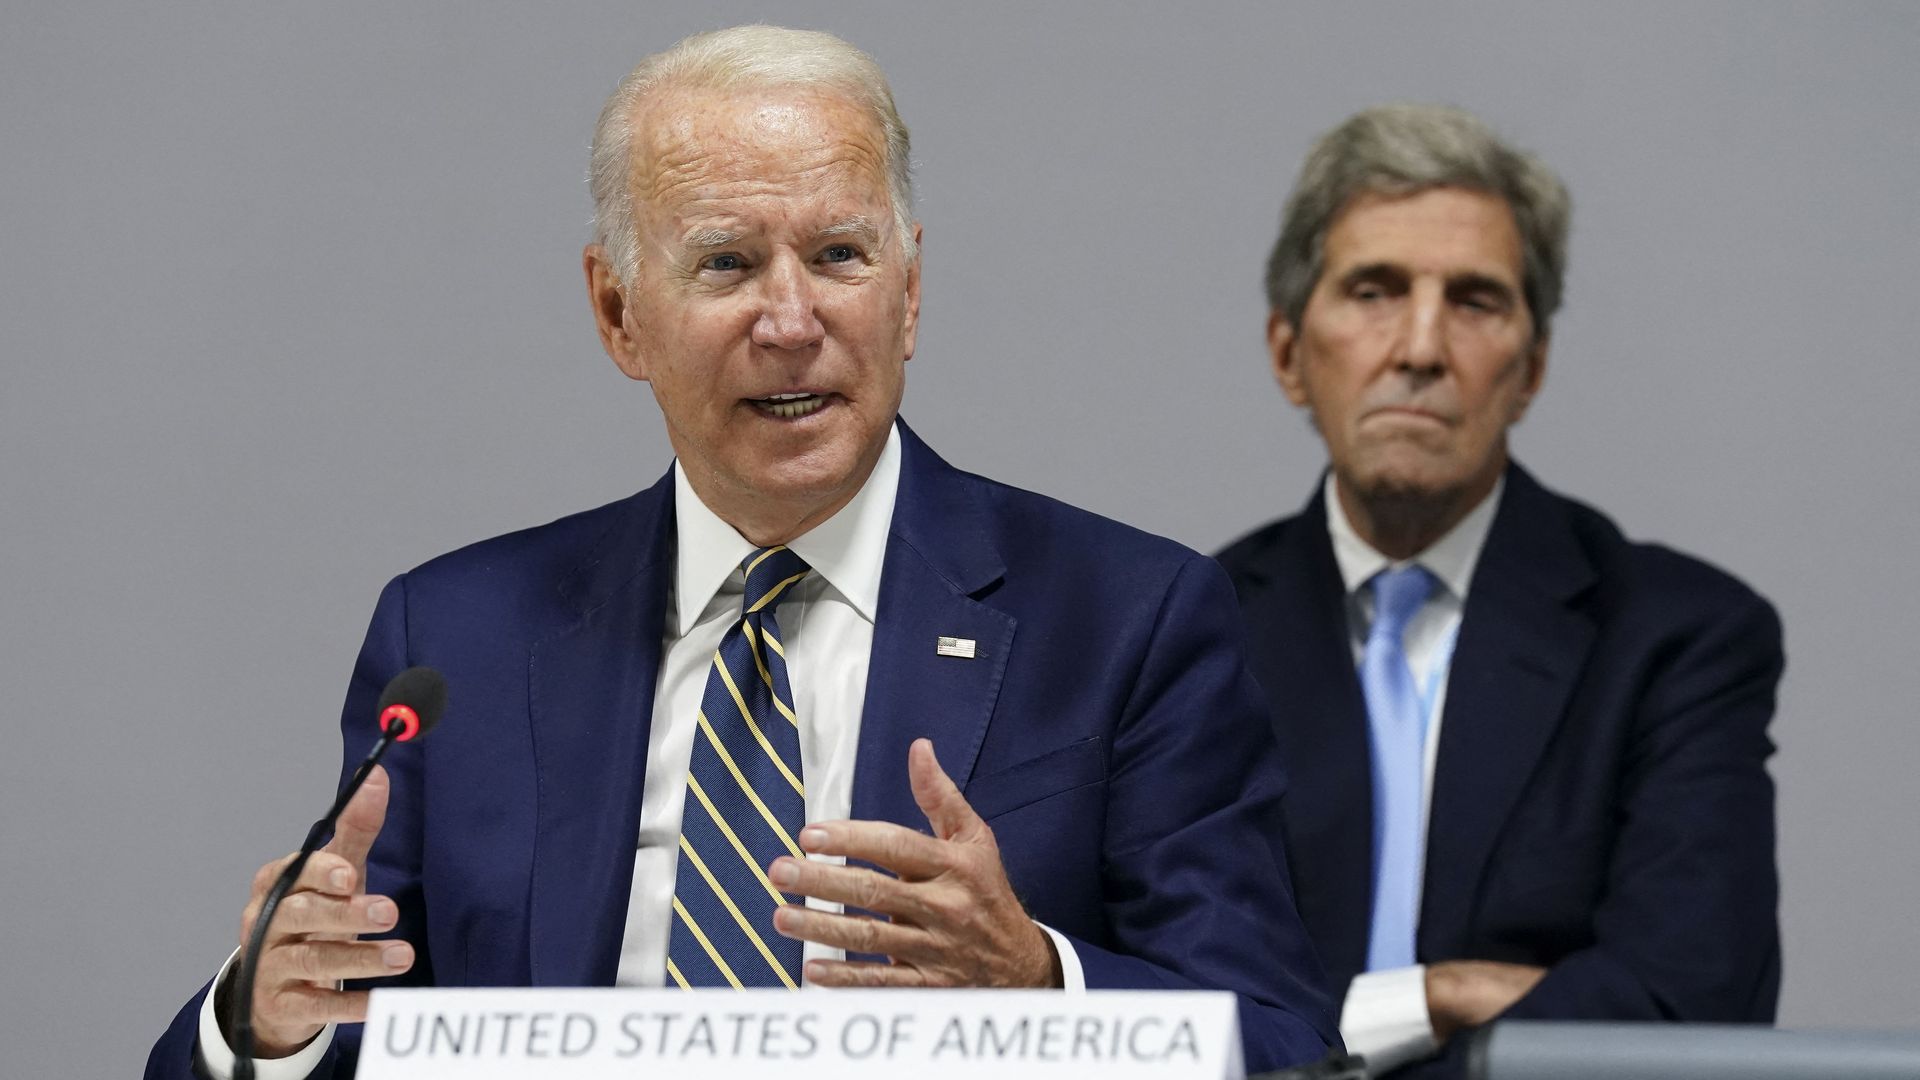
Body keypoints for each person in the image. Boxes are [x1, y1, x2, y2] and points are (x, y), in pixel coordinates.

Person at [146, 25, 1337, 1079]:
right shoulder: (456, 636)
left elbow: (1282, 1044)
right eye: (725, 262)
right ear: (619, 313)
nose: (790, 320)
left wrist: (1036, 988)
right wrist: (272, 1022)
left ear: (909, 296)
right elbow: (342, 1025)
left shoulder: (1127, 619)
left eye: (839, 257)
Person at [1216, 104, 1782, 1077]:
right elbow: (1142, 1001)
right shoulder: (1187, 631)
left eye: (1475, 300)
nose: (1422, 348)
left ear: (1532, 369)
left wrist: (1344, 1026)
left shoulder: (1678, 638)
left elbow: (1693, 1005)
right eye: (1374, 290)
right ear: (1287, 354)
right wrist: (1435, 996)